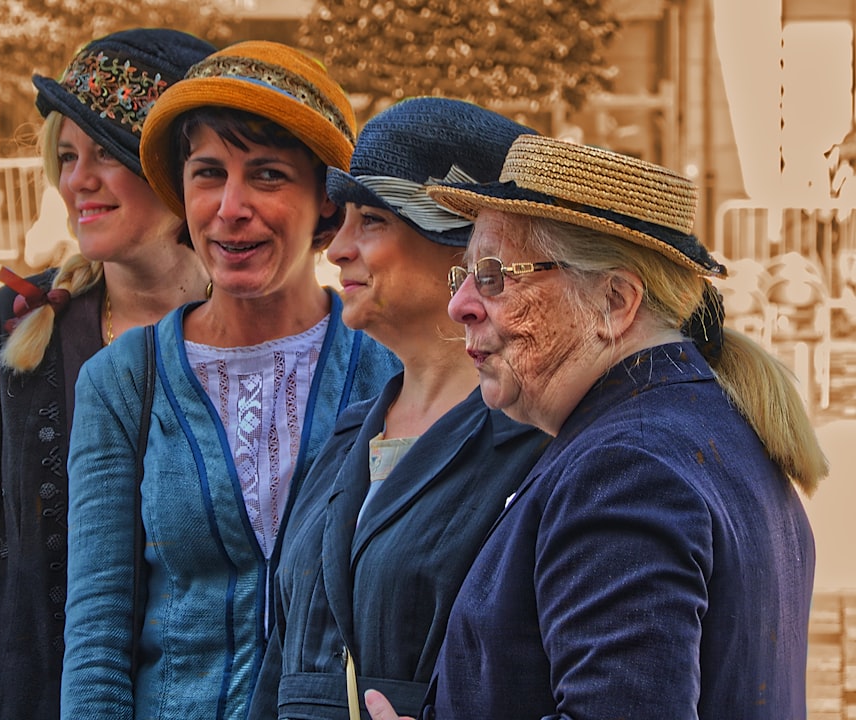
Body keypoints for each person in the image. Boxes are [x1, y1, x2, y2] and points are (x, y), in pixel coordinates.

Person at [365, 133, 828, 720]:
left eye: (494, 275)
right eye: (466, 275)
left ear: (614, 302)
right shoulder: (700, 427)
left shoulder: (627, 467)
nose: (460, 307)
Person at [60, 40, 402, 720]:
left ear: (324, 204)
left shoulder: (387, 372)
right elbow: (97, 640)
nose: (230, 206)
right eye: (208, 173)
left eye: (269, 175)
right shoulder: (122, 384)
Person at [0, 28, 216, 720]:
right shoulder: (15, 327)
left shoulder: (263, 337)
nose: (78, 180)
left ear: (181, 169)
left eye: (106, 153)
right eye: (67, 156)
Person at [245, 97, 550, 720]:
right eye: (344, 219)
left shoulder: (532, 440)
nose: (337, 249)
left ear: (465, 248)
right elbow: (283, 667)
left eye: (373, 220)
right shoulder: (351, 433)